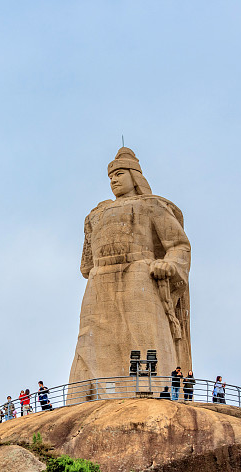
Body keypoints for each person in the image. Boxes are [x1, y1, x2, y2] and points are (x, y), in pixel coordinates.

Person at [69, 148, 193, 391]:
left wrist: (168, 264)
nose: (114, 180)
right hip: (99, 280)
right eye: (111, 176)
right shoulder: (95, 214)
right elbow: (86, 265)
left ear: (134, 176)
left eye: (119, 173)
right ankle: (85, 394)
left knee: (143, 337)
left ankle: (152, 389)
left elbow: (179, 245)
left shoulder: (151, 205)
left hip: (138, 275)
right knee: (90, 341)